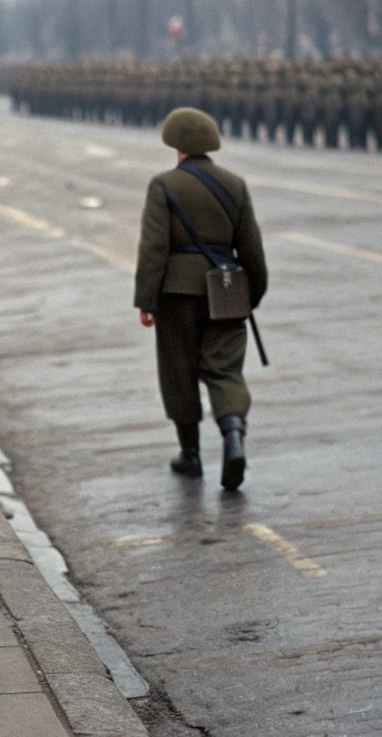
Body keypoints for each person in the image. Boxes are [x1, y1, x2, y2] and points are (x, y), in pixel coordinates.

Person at [134, 107, 268, 491]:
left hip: (177, 294)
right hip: (226, 293)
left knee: (179, 370)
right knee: (225, 369)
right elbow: (252, 250)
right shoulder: (235, 184)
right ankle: (234, 436)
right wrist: (252, 294)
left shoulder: (163, 186)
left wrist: (147, 300)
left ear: (175, 145)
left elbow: (153, 249)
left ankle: (190, 456)